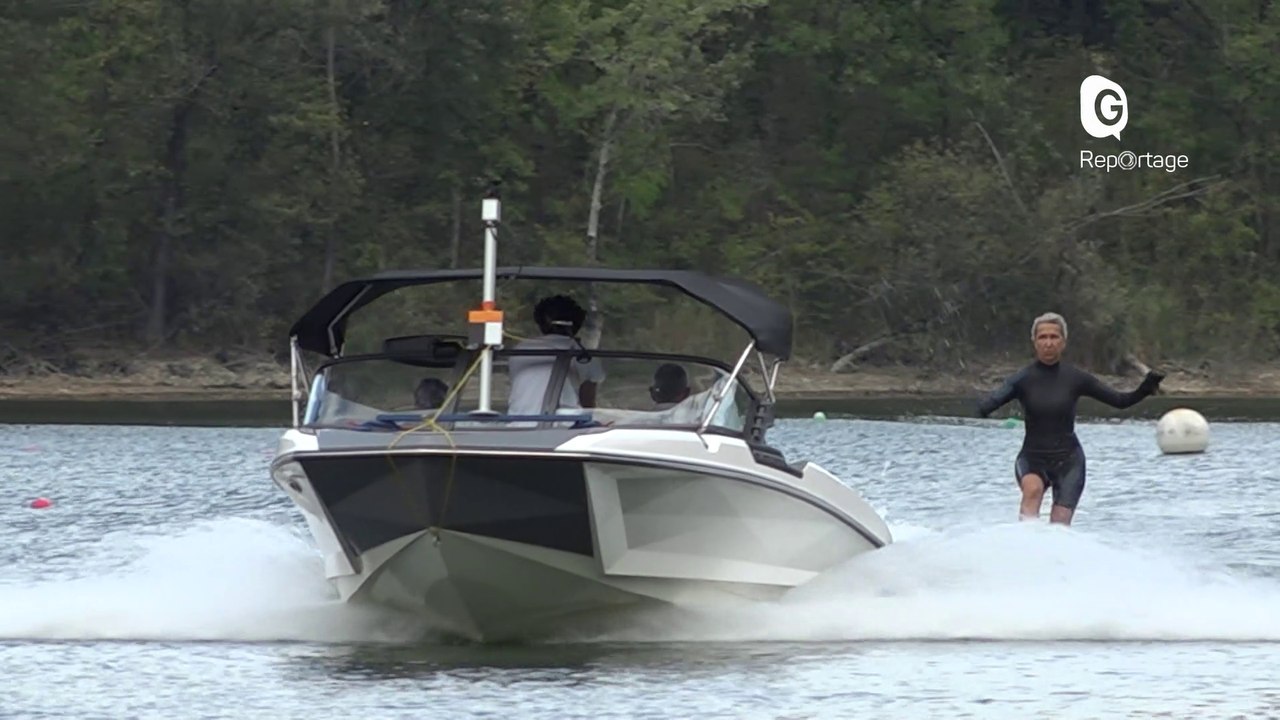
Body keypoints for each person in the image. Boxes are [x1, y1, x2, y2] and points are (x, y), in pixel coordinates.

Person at [976, 312, 1165, 526]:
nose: (1048, 343)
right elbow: (989, 404)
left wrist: (1146, 388)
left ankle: (1054, 557)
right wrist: (983, 406)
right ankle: (1025, 550)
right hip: (1032, 458)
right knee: (1033, 490)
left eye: (1054, 337)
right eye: (1043, 337)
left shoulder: (1076, 378)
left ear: (1063, 342)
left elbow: (1120, 401)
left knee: (1059, 524)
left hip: (1069, 462)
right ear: (1034, 342)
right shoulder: (1022, 380)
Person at [507, 294, 606, 416]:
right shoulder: (584, 355)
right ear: (577, 323)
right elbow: (588, 406)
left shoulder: (520, 349)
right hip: (562, 428)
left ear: (540, 322)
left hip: (517, 424)